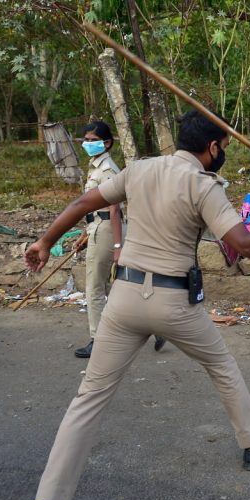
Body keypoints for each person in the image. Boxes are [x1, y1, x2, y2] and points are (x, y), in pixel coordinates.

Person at [9, 110, 250, 500]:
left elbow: (83, 203)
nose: (224, 153)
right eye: (224, 147)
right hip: (175, 303)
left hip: (124, 298)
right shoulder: (204, 185)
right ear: (211, 148)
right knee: (221, 365)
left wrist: (45, 241)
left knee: (88, 399)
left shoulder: (139, 170)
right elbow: (248, 246)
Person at [74, 120, 165, 358]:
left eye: (94, 140)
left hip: (106, 230)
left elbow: (114, 210)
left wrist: (117, 246)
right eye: (86, 140)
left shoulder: (107, 169)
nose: (88, 144)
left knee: (95, 287)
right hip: (98, 227)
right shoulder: (95, 166)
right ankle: (153, 327)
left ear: (107, 143)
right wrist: (85, 233)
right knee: (113, 289)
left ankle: (98, 341)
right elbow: (95, 207)